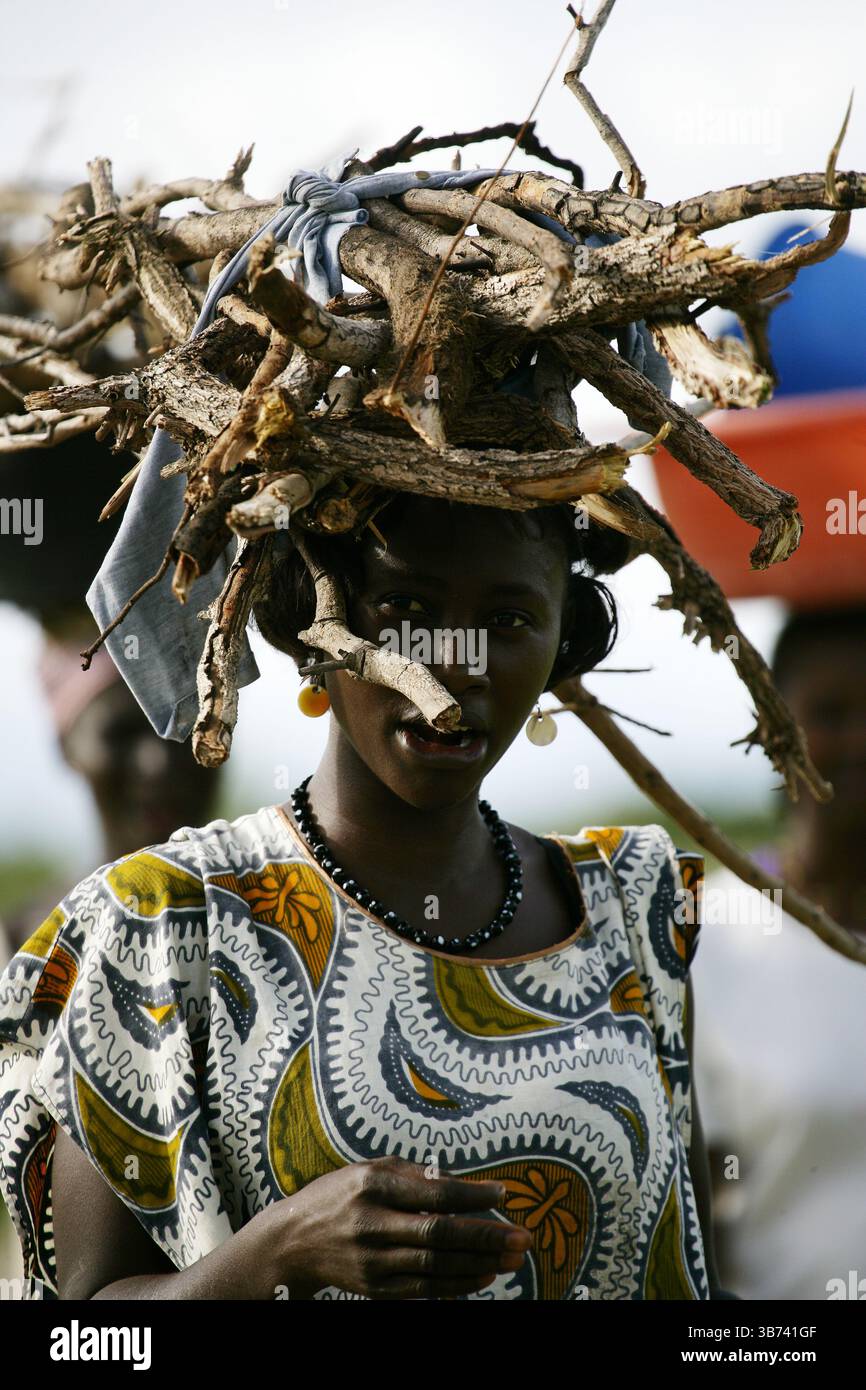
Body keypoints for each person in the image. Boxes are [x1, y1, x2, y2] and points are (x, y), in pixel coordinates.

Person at [0, 492, 730, 1300]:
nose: (452, 662)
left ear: (564, 640)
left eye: (511, 619)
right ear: (307, 622)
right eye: (406, 609)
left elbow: (693, 1277)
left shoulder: (631, 905)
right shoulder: (167, 923)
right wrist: (273, 1255)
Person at [691, 602, 866, 1300]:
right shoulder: (706, 939)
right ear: (771, 731)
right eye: (829, 712)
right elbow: (689, 1216)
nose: (860, 740)